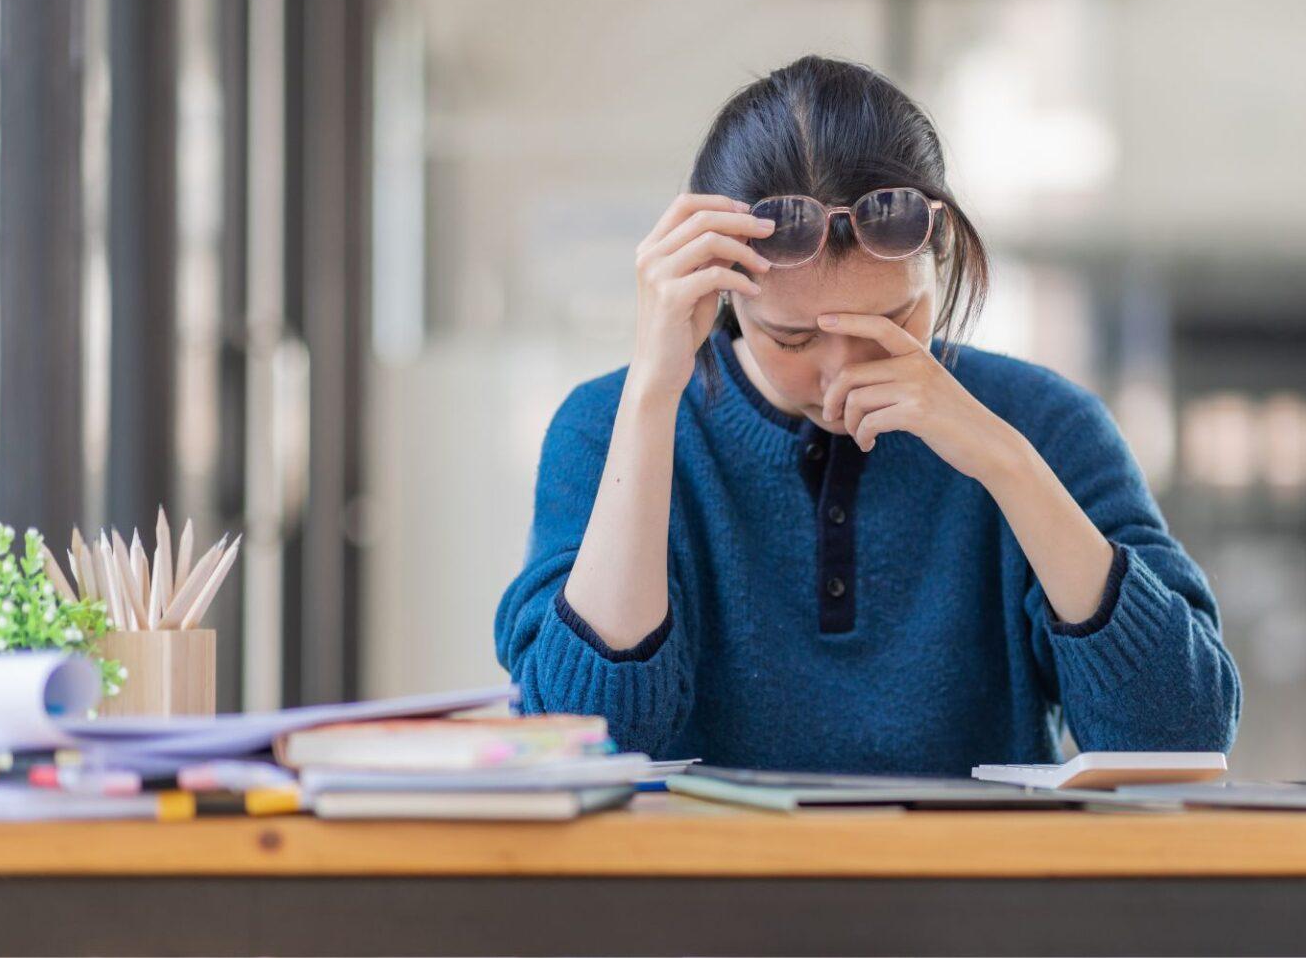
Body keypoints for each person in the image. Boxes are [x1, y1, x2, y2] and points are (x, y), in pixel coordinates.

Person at [494, 55, 1239, 774]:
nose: (843, 372)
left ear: (941, 258)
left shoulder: (1047, 423)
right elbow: (587, 740)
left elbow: (1180, 738)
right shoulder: (608, 427)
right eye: (792, 337)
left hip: (981, 867)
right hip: (707, 867)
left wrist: (1007, 465)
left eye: (891, 319)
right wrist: (652, 397)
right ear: (717, 291)